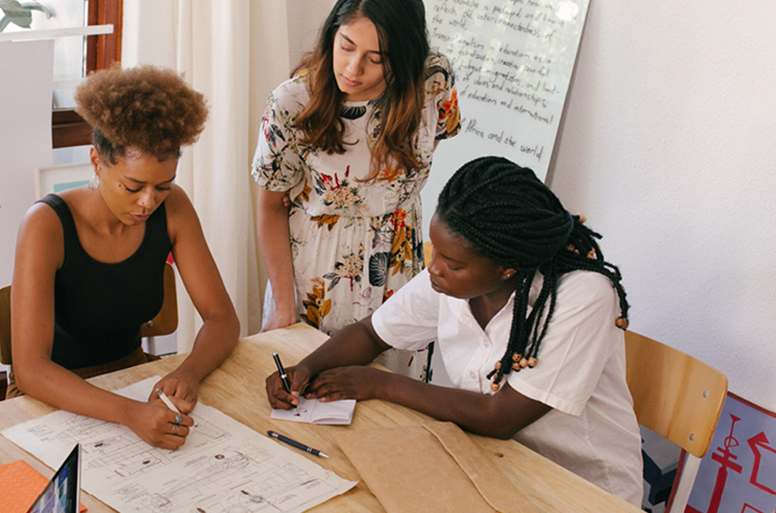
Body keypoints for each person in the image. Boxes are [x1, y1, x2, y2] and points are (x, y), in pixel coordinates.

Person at [265, 156, 642, 504]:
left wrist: (379, 383)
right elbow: (371, 334)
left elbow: (500, 417)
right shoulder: (452, 280)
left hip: (580, 487)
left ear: (508, 267)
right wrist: (306, 369)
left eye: (452, 263)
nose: (434, 268)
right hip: (491, 461)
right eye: (437, 252)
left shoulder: (581, 296)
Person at [9, 65, 240, 450]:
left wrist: (190, 371)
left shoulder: (174, 208)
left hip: (132, 380)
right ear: (97, 161)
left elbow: (222, 317)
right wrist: (131, 414)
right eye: (133, 187)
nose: (148, 202)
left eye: (162, 187)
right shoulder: (46, 224)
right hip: (53, 397)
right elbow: (31, 370)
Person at [252, 0, 461, 379]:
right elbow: (269, 206)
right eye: (345, 46)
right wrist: (283, 305)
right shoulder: (293, 102)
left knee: (395, 403)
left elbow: (426, 150)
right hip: (318, 272)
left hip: (400, 266)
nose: (352, 67)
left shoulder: (432, 81)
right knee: (310, 394)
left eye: (375, 58)